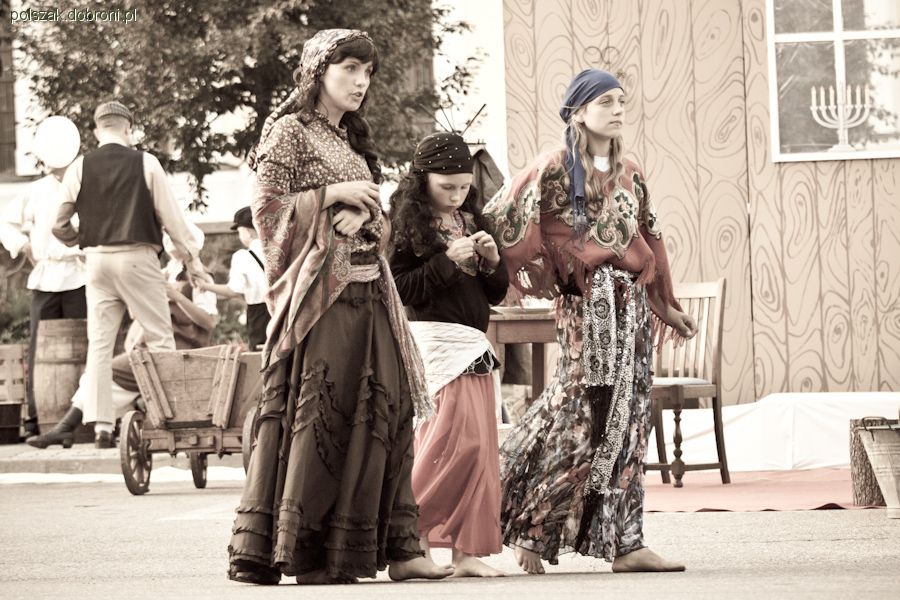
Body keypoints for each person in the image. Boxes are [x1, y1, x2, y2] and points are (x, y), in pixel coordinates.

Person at [227, 29, 453, 585]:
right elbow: (266, 212)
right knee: (325, 415)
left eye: (367, 72)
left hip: (371, 295)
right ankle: (310, 554)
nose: (360, 81)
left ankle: (399, 548)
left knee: (387, 411)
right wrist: (332, 198)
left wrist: (366, 215)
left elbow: (378, 221)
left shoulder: (350, 138)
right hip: (322, 303)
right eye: (350, 68)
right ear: (318, 71)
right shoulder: (289, 131)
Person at [481, 69, 698, 575]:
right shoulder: (553, 167)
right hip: (587, 310)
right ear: (578, 112)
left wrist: (667, 307)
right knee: (578, 414)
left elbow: (650, 240)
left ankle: (627, 542)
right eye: (605, 102)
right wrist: (551, 266)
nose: (618, 110)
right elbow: (499, 217)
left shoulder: (631, 173)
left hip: (632, 310)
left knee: (630, 421)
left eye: (621, 101)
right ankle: (532, 526)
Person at [53, 100, 210, 448]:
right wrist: (193, 260)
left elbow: (58, 224)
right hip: (138, 257)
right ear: (127, 128)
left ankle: (102, 426)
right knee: (160, 337)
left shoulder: (79, 166)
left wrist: (83, 241)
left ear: (97, 130)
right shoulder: (146, 162)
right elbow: (173, 220)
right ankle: (169, 417)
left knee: (100, 344)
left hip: (97, 261)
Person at [389, 132, 509, 577]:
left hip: (474, 344)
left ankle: (465, 552)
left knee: (480, 450)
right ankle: (408, 543)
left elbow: (495, 293)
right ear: (423, 180)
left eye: (463, 186)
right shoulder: (407, 227)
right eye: (447, 187)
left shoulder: (474, 219)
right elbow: (400, 289)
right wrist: (447, 262)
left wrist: (492, 262)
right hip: (436, 346)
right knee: (445, 445)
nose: (457, 195)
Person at [26, 225, 218, 448]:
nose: (168, 241)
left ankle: (80, 428)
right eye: (166, 237)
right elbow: (140, 315)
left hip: (182, 351)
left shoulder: (199, 277)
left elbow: (209, 321)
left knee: (103, 373)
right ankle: (92, 430)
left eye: (174, 238)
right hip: (152, 349)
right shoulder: (164, 272)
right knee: (99, 376)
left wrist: (174, 295)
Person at [0, 116, 86, 439]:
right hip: (45, 276)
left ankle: (81, 416)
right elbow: (5, 222)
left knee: (83, 344)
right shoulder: (34, 191)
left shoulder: (85, 186)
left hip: (79, 274)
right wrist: (22, 245)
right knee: (40, 348)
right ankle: (38, 417)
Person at [194, 206, 269, 350]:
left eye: (239, 231)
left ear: (247, 232)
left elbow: (233, 291)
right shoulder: (278, 250)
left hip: (260, 314)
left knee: (262, 355)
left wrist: (205, 286)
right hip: (284, 307)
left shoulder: (243, 257)